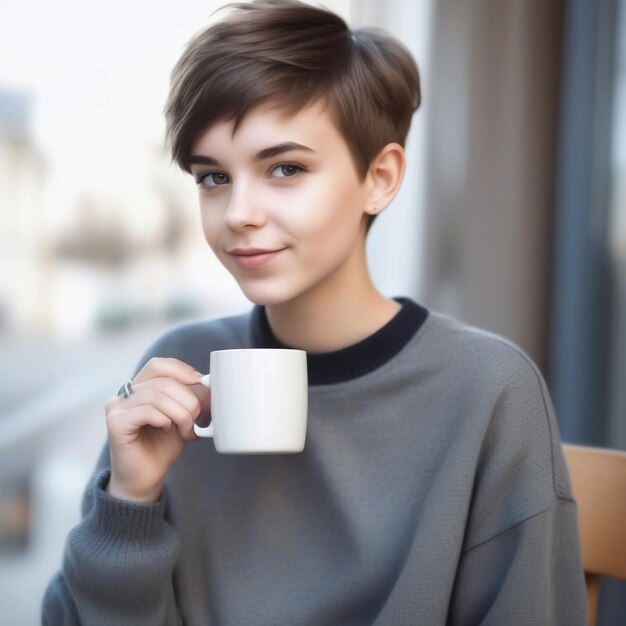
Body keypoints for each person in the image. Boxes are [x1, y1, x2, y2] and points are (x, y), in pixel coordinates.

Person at [42, 1, 587, 624]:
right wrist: (129, 499)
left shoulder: (487, 389)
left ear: (379, 178)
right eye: (213, 177)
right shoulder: (179, 372)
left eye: (285, 168)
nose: (239, 212)